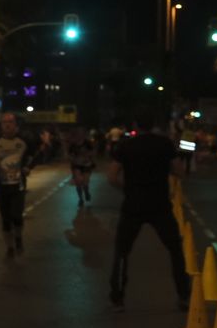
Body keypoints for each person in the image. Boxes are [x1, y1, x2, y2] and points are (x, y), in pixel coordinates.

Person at [107, 111, 190, 313]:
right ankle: (184, 296)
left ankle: (118, 298)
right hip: (159, 204)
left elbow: (112, 176)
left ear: (136, 124)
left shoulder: (125, 146)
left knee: (122, 252)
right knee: (175, 249)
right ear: (154, 124)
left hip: (133, 205)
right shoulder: (164, 144)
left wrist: (126, 188)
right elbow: (179, 171)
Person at [0, 112, 33, 258]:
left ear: (15, 125)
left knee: (17, 215)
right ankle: (9, 247)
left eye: (10, 122)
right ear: (1, 125)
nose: (7, 125)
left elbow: (31, 157)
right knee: (5, 218)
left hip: (18, 184)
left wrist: (28, 167)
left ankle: (18, 238)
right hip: (1, 185)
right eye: (4, 122)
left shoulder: (23, 142)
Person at [69, 137, 96, 206]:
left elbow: (93, 153)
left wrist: (91, 160)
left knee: (85, 182)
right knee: (78, 183)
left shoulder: (88, 143)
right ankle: (80, 199)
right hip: (77, 165)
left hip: (87, 165)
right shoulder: (73, 145)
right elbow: (70, 156)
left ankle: (86, 192)